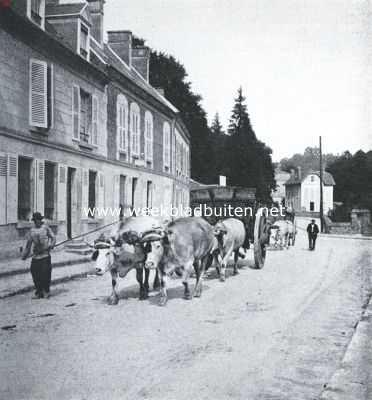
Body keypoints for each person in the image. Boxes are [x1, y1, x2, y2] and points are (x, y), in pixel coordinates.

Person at [21, 212, 56, 299]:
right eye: (35, 220)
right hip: (36, 256)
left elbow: (53, 237)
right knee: (35, 273)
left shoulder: (46, 228)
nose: (37, 222)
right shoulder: (32, 231)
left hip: (45, 255)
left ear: (41, 220)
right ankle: (39, 292)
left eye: (39, 220)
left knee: (45, 274)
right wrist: (24, 255)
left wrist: (52, 245)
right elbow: (28, 246)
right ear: (34, 221)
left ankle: (46, 291)